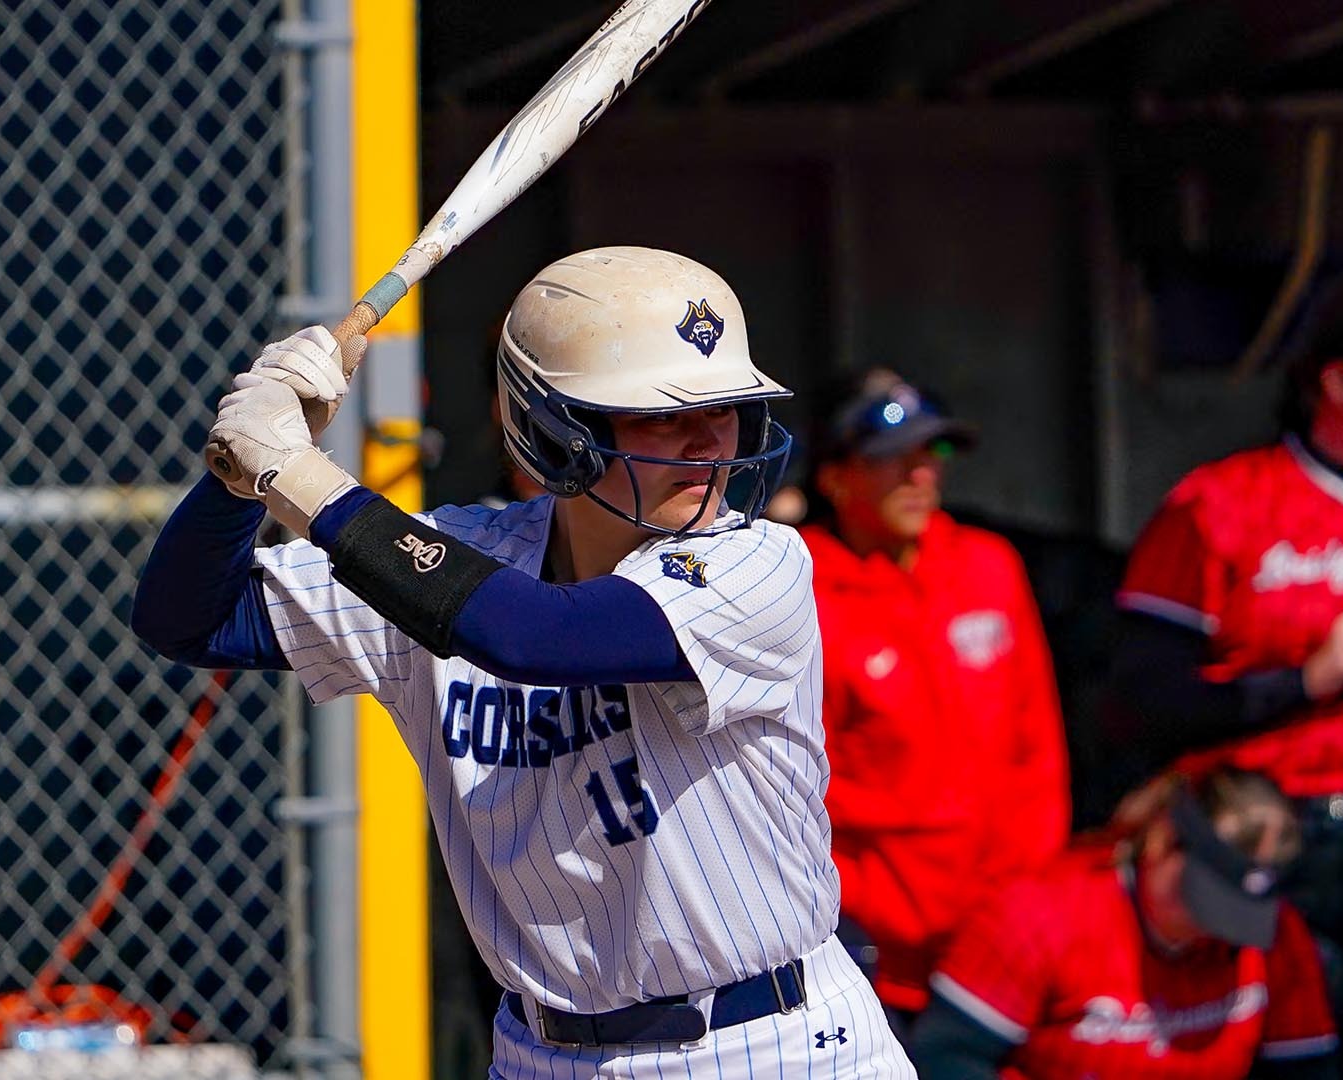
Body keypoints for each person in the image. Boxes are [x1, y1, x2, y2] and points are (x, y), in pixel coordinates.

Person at [133, 246, 917, 1078]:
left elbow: (538, 637)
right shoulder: (461, 557)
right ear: (558, 430)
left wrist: (301, 477)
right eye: (660, 415)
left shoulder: (761, 565)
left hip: (770, 1041)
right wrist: (232, 476)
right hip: (543, 1051)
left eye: (725, 407)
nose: (708, 439)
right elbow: (190, 621)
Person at [1106, 270, 1343, 1078]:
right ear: (1338, 381)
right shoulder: (1219, 502)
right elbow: (1140, 703)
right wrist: (1305, 679)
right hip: (1273, 844)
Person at [796, 369, 1068, 1045]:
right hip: (865, 958)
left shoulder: (987, 564)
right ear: (835, 477)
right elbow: (794, 790)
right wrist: (858, 912)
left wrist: (1022, 902)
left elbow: (1038, 746)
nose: (923, 477)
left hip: (1001, 946)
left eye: (933, 456)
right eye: (894, 460)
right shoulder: (796, 588)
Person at [907, 767, 1339, 1079]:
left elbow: (1305, 1070)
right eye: (1203, 899)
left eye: (1235, 912)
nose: (1210, 928)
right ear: (1162, 838)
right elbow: (944, 1058)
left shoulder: (1273, 939)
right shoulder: (1040, 915)